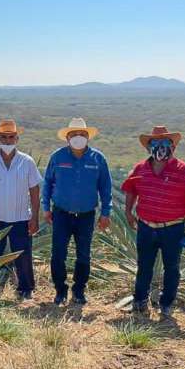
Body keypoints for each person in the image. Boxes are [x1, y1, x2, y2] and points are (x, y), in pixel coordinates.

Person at [121, 126, 185, 316]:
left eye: (166, 143)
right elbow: (131, 188)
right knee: (144, 266)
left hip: (173, 228)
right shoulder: (140, 168)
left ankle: (166, 304)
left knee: (172, 267)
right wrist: (128, 211)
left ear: (173, 146)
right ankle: (140, 301)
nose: (161, 147)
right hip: (146, 225)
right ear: (148, 147)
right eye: (155, 143)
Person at [42, 117, 112, 305]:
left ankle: (79, 290)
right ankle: (60, 290)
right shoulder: (57, 157)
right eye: (74, 134)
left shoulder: (98, 159)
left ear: (88, 137)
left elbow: (106, 188)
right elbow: (47, 182)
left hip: (86, 215)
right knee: (58, 253)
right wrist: (46, 208)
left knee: (84, 254)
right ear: (67, 137)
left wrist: (106, 212)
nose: (78, 137)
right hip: (61, 213)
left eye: (82, 134)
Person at [0, 120, 42, 300]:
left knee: (23, 255)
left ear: (17, 139)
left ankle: (25, 289)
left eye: (11, 137)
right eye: (3, 137)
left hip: (21, 218)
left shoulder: (27, 162)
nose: (7, 141)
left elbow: (35, 190)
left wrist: (34, 217)